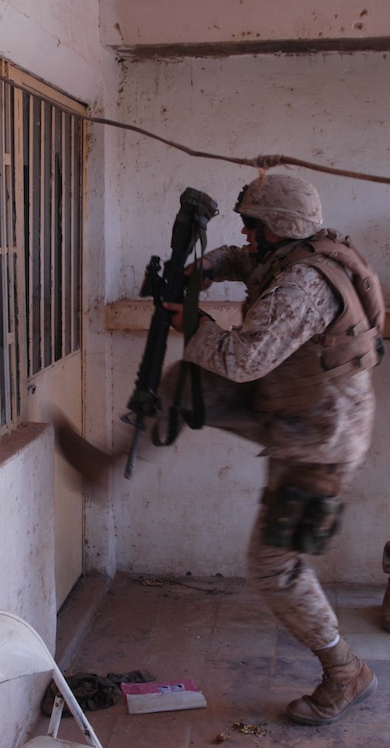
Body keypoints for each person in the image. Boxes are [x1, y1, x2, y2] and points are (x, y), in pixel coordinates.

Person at [161, 172, 385, 726]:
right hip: (293, 412)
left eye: (253, 225)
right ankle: (111, 456)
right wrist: (207, 267)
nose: (246, 234)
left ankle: (345, 670)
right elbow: (246, 263)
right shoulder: (298, 252)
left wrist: (191, 322)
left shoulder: (304, 285)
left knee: (273, 565)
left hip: (320, 443)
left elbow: (240, 360)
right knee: (180, 384)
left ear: (279, 227)